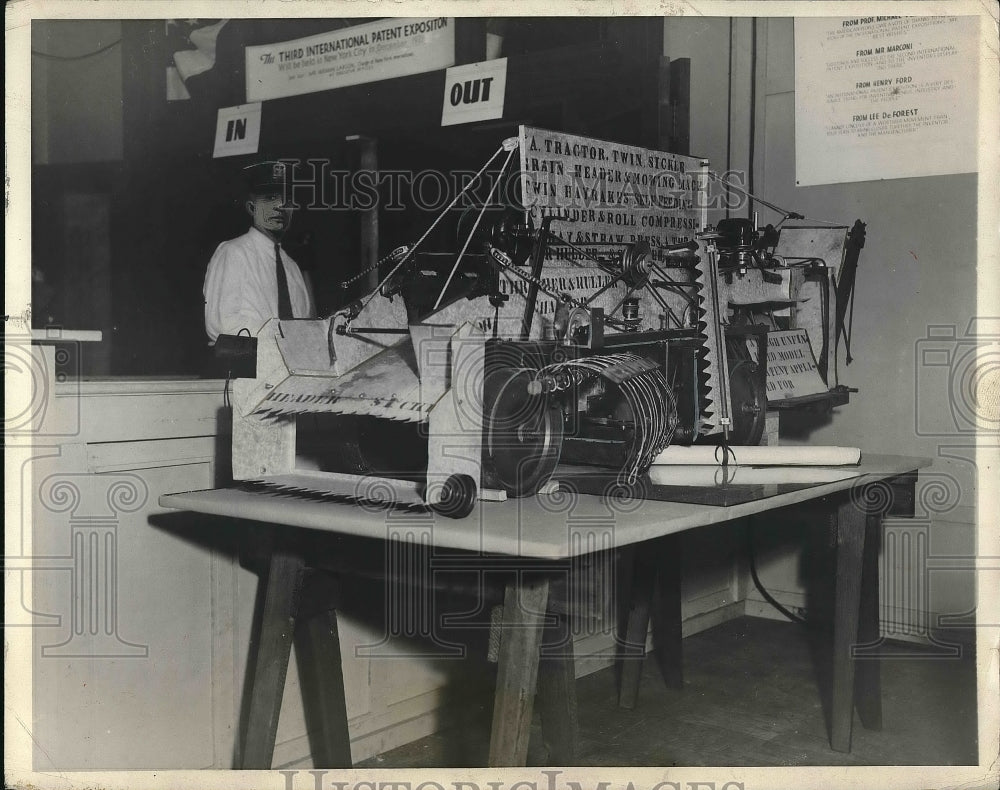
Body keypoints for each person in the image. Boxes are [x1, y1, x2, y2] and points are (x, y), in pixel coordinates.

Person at [203, 160, 315, 343]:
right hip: (245, 367)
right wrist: (284, 336)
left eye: (286, 200)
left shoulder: (292, 268)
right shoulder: (233, 253)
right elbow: (221, 324)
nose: (280, 206)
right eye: (270, 198)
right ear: (252, 207)